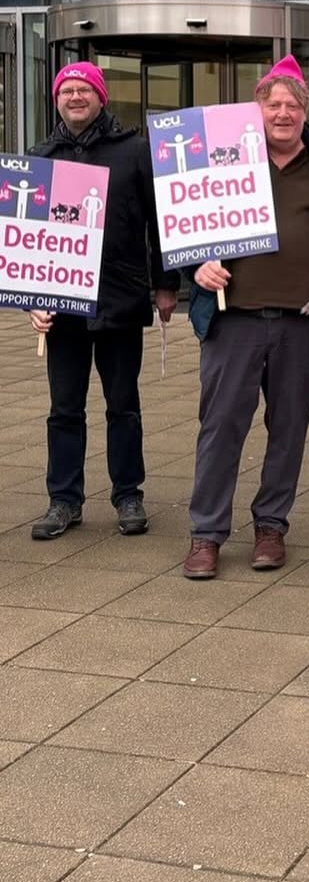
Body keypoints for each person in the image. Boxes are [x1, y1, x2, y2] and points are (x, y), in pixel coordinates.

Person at [183, 55, 309, 579]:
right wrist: (195, 269)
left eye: (293, 105)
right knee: (221, 429)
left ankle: (271, 526)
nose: (283, 113)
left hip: (301, 322)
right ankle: (206, 533)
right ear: (257, 110)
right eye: (273, 105)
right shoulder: (223, 161)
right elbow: (182, 228)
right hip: (234, 320)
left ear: (305, 110)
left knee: (288, 429)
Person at [28, 62, 180, 540]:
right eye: (67, 90)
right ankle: (63, 500)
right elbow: (27, 240)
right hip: (63, 304)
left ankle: (128, 494)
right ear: (57, 99)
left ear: (101, 97)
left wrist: (166, 284)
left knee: (124, 405)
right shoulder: (41, 156)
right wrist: (32, 298)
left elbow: (160, 222)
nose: (75, 97)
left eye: (83, 89)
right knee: (64, 408)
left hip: (120, 297)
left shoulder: (135, 151)